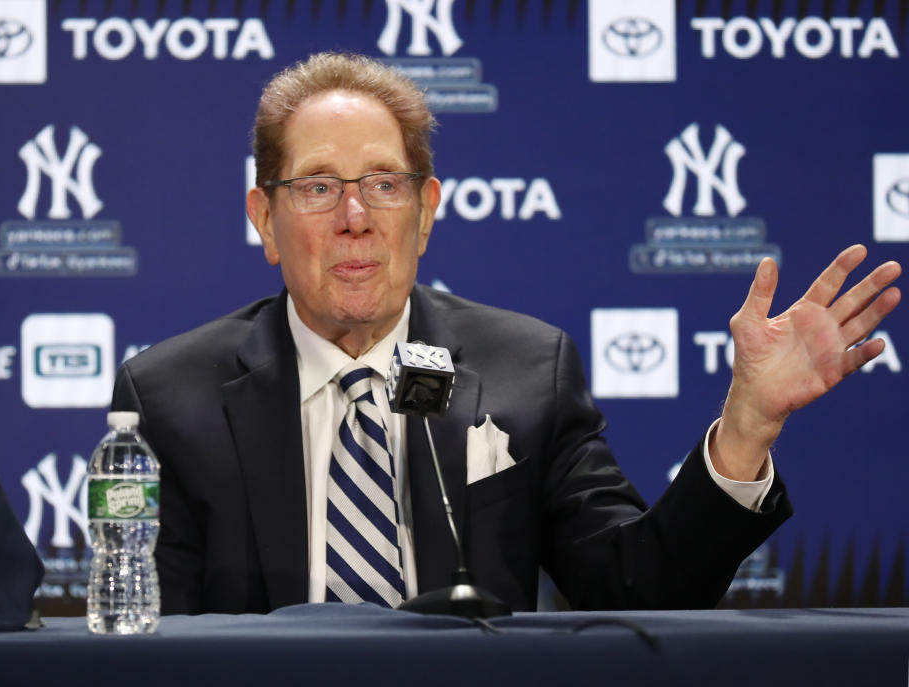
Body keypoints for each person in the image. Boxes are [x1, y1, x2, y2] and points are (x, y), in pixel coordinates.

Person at [111, 52, 901, 615]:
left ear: (425, 212)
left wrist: (747, 427)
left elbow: (639, 590)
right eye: (319, 187)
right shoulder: (172, 396)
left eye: (384, 185)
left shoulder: (526, 370)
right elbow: (149, 638)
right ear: (265, 220)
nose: (355, 218)